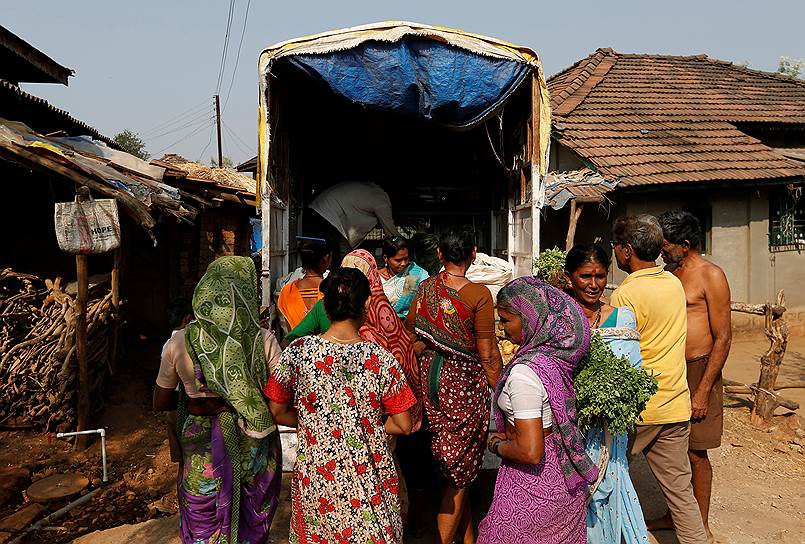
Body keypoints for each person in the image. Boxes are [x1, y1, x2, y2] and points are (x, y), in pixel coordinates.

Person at [265, 267, 416, 543]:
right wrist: (366, 428)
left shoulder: (297, 353)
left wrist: (314, 423)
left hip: (317, 482)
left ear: (325, 305)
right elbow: (403, 424)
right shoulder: (381, 359)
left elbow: (276, 409)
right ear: (367, 305)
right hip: (370, 482)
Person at [153, 257, 282, 544]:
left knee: (202, 501)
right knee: (251, 509)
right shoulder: (264, 340)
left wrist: (199, 403)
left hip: (201, 442)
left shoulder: (179, 342)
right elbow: (279, 395)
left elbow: (161, 400)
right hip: (253, 440)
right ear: (248, 292)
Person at [609, 215, 708, 544]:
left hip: (641, 410)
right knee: (681, 494)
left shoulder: (626, 294)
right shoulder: (673, 283)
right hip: (675, 404)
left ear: (627, 251)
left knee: (601, 477)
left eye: (616, 248)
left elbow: (618, 359)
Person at [477, 276, 597, 544]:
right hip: (564, 485)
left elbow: (530, 451)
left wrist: (495, 445)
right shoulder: (555, 361)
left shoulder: (524, 374)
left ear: (531, 318)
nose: (502, 328)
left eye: (507, 320)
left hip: (535, 488)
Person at [405, 227, 502, 544]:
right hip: (462, 386)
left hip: (430, 381)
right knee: (459, 476)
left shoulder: (425, 288)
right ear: (474, 253)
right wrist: (503, 394)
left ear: (440, 255)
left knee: (453, 465)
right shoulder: (479, 295)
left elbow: (412, 335)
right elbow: (487, 353)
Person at [564, 244, 650, 544]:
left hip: (610, 431)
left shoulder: (622, 319)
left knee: (611, 485)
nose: (593, 284)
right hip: (570, 426)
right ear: (569, 277)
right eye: (585, 276)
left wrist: (614, 398)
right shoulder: (561, 320)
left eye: (600, 276)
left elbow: (634, 374)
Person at [658, 210, 732, 543]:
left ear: (685, 244)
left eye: (667, 244)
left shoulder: (710, 275)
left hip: (700, 369)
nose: (662, 250)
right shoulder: (669, 273)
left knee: (695, 452)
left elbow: (724, 337)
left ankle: (699, 525)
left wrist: (703, 389)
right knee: (668, 450)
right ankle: (674, 514)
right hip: (672, 368)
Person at [309, 181, 401, 259]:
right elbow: (391, 233)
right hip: (328, 215)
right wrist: (406, 244)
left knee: (321, 254)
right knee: (345, 258)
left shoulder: (371, 189)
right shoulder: (382, 200)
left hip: (317, 209)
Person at [277, 237, 333, 332]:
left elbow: (290, 331)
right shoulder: (333, 289)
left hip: (296, 345)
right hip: (327, 346)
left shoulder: (287, 291)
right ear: (326, 258)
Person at [379, 235, 430, 318]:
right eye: (398, 260)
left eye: (406, 258)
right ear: (385, 258)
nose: (403, 263)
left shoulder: (416, 274)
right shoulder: (376, 278)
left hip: (408, 325)